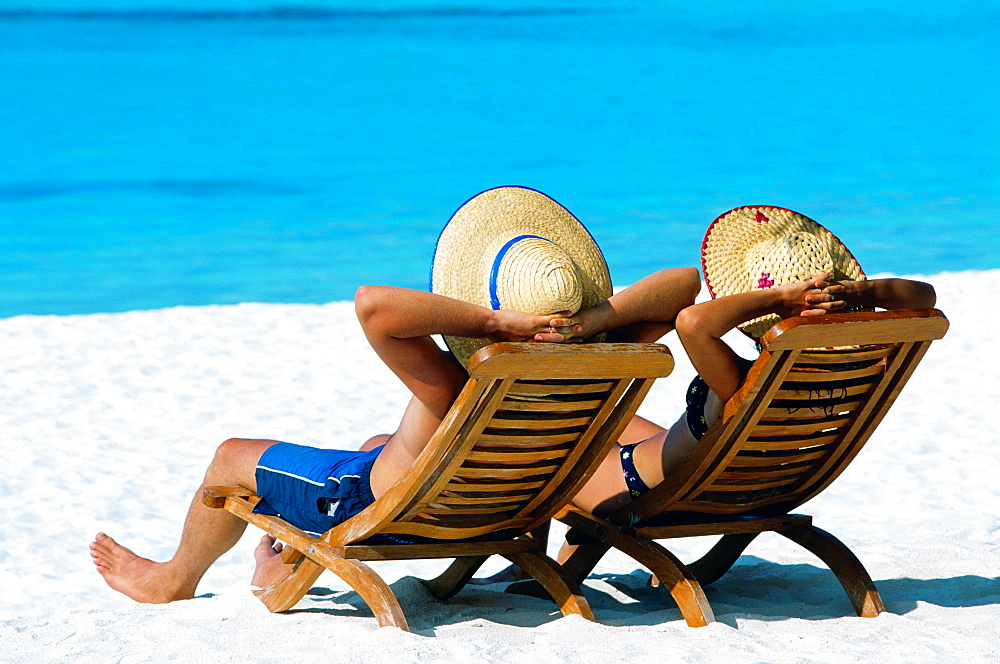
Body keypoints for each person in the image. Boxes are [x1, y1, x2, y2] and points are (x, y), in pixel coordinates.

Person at [90, 186, 701, 603]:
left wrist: (494, 327)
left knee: (230, 457)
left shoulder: (456, 384)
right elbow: (683, 285)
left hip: (371, 500)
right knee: (379, 442)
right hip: (508, 502)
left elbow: (373, 304)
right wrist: (589, 324)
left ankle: (174, 579)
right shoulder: (597, 369)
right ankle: (281, 554)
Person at [472, 204, 938, 585]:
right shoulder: (852, 370)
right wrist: (861, 292)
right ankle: (551, 565)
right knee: (609, 419)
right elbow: (926, 297)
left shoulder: (741, 379)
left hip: (648, 484)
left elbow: (690, 318)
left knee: (555, 437)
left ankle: (535, 565)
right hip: (770, 483)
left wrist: (779, 301)